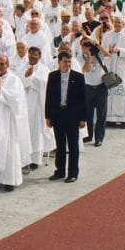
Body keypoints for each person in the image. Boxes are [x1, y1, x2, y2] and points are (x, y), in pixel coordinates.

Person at [0, 54, 31, 191]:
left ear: (7, 65)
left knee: (8, 149)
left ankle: (9, 180)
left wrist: (0, 89)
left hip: (8, 120)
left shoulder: (14, 80)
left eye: (2, 63)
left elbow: (16, 100)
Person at [45, 51, 87, 183]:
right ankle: (60, 171)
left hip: (73, 116)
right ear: (59, 62)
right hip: (58, 115)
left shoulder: (78, 77)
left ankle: (73, 172)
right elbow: (49, 97)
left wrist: (83, 118)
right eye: (65, 61)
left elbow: (83, 99)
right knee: (60, 144)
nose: (67, 64)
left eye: (69, 62)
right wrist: (48, 116)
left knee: (73, 145)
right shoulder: (52, 76)